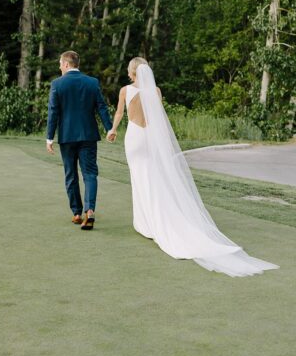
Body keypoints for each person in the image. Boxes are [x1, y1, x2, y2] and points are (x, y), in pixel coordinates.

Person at [107, 57, 279, 277]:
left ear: (131, 71)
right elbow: (158, 120)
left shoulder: (125, 90)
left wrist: (113, 130)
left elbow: (120, 113)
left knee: (139, 178)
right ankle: (150, 221)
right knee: (152, 178)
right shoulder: (156, 92)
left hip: (134, 138)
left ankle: (146, 223)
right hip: (149, 138)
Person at [46, 51, 112, 230]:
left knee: (71, 175)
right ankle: (89, 211)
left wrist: (49, 137)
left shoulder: (57, 84)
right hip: (88, 135)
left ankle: (76, 212)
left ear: (67, 64)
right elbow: (101, 107)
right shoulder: (92, 82)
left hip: (67, 137)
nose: (59, 66)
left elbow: (53, 112)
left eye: (60, 63)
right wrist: (109, 128)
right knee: (90, 173)